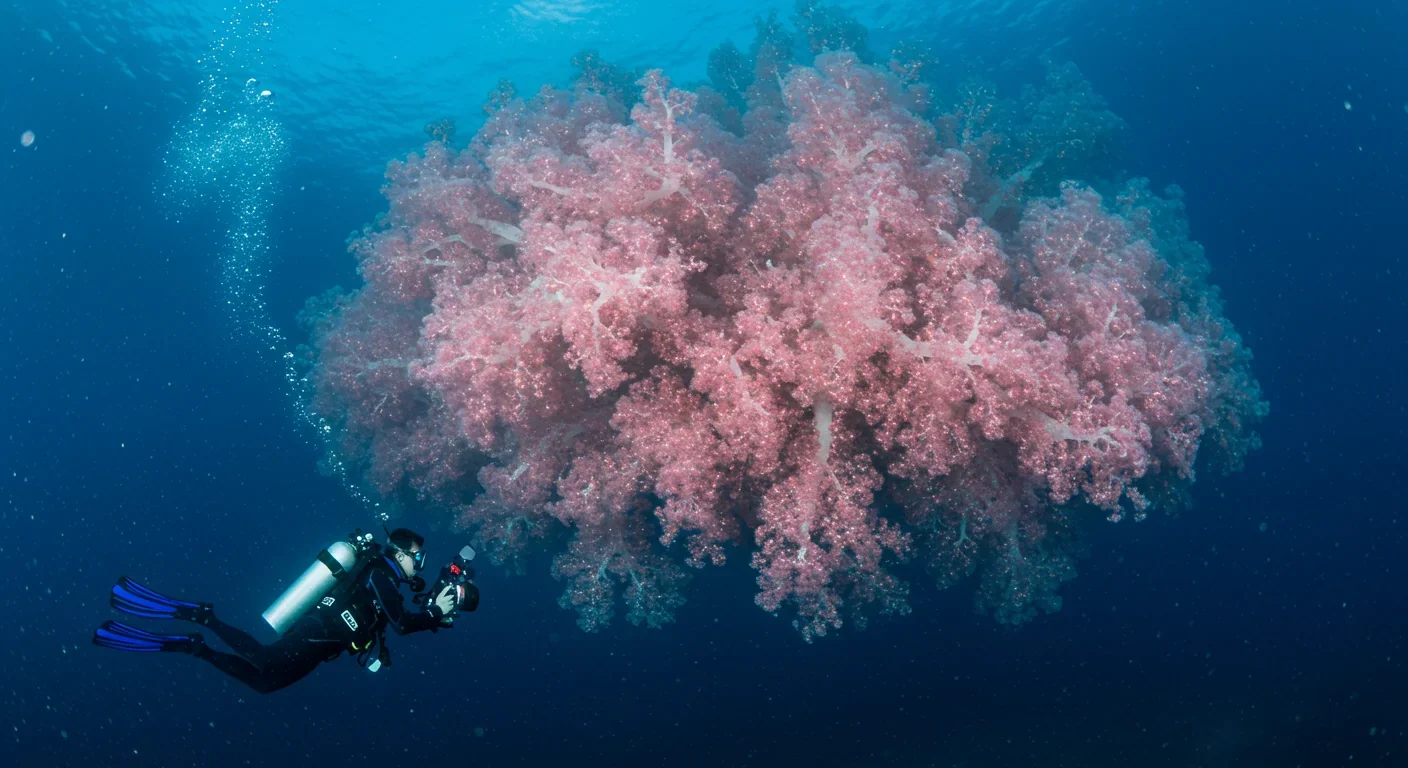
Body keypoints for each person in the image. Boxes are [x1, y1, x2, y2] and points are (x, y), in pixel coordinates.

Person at [93, 528, 470, 694]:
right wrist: (434, 615)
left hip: (324, 644)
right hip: (316, 631)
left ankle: (196, 645)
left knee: (265, 683)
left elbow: (395, 620)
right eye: (417, 558)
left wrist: (433, 611)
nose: (419, 566)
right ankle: (203, 617)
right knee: (260, 657)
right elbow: (402, 624)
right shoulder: (380, 573)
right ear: (400, 552)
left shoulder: (385, 581)